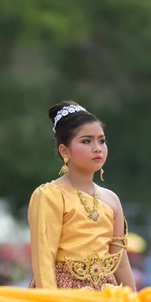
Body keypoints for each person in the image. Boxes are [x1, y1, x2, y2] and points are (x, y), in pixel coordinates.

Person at [28, 100, 135, 291]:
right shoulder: (50, 195)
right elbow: (44, 260)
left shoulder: (111, 200)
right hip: (63, 295)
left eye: (101, 140)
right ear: (65, 150)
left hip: (107, 296)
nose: (97, 148)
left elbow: (120, 261)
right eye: (86, 141)